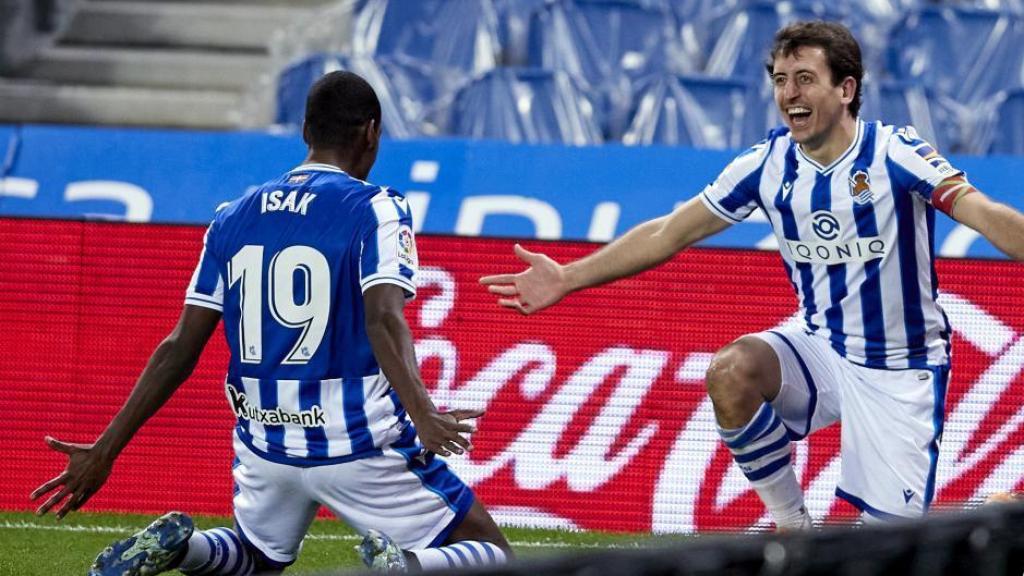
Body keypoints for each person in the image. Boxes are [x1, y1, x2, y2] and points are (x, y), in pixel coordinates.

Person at [481, 21, 1024, 529]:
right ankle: (791, 525)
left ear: (846, 89)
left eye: (806, 79)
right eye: (781, 80)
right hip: (822, 346)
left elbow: (981, 213)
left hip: (899, 368)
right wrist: (568, 277)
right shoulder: (766, 164)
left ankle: (998, 520)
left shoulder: (893, 153)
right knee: (732, 371)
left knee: (884, 551)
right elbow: (669, 232)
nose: (790, 93)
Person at [30, 70, 512, 575]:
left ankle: (185, 550)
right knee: (493, 556)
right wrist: (423, 413)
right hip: (356, 443)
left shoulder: (233, 215)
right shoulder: (376, 208)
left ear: (305, 130)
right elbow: (383, 318)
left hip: (266, 442)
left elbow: (179, 346)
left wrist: (106, 449)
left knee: (256, 556)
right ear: (371, 132)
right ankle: (406, 567)